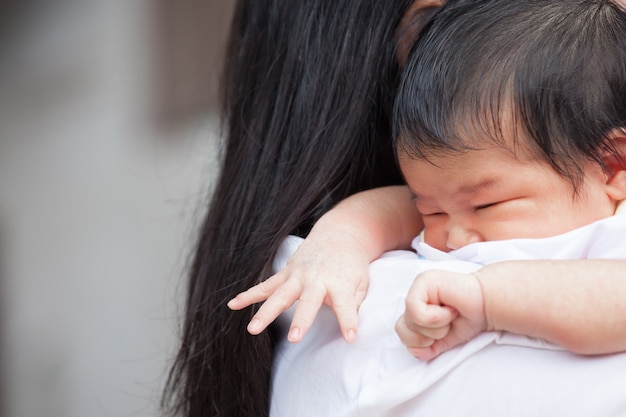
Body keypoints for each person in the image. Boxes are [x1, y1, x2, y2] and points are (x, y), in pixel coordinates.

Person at [165, 1, 626, 417]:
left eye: (488, 203)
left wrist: (489, 300)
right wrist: (336, 246)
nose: (452, 236)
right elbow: (395, 207)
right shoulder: (474, 198)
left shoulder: (611, 233)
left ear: (613, 165)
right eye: (433, 214)